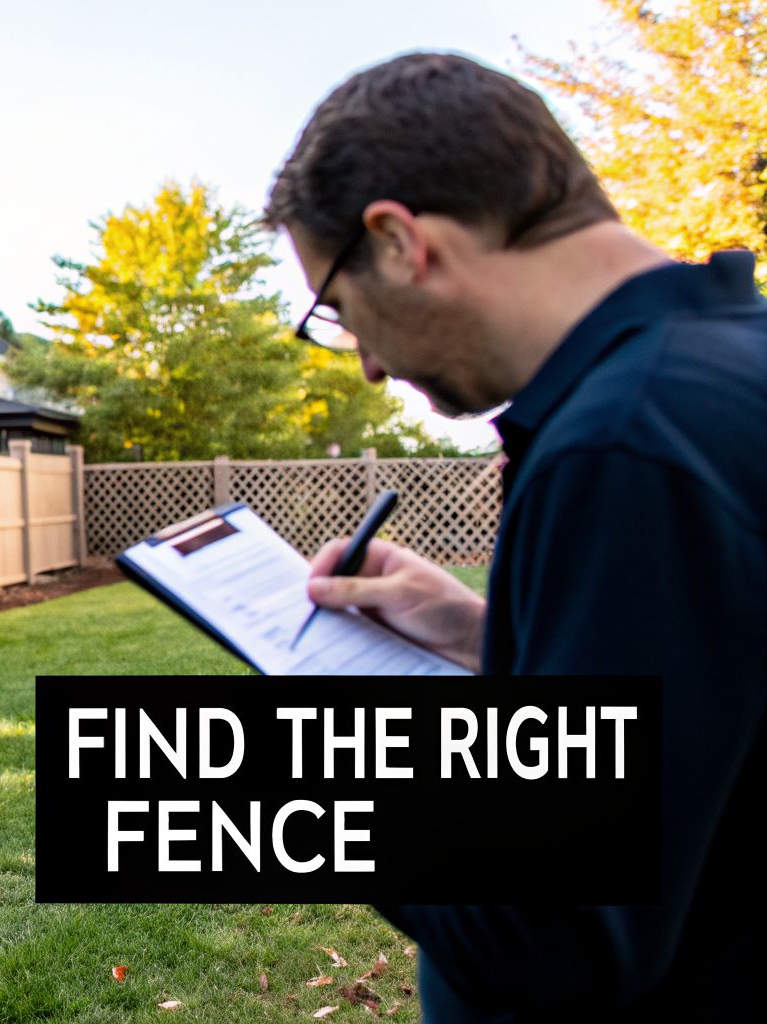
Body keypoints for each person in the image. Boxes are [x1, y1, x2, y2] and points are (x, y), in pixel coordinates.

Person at [264, 52, 767, 1022]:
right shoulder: (718, 365)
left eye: (335, 308)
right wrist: (475, 631)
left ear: (398, 240)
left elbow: (555, 932)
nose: (364, 363)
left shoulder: (628, 443)